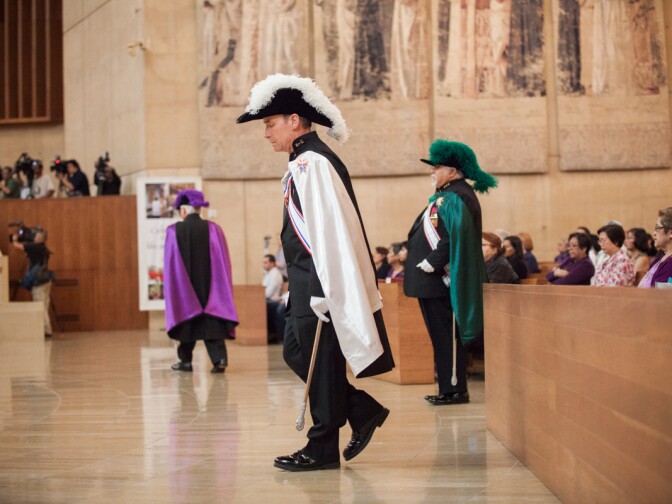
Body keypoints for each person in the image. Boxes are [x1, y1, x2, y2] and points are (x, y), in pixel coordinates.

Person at [237, 74, 394, 472]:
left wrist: (324, 290)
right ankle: (361, 409)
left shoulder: (312, 162)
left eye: (270, 124)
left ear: (294, 120)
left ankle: (321, 448)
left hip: (318, 286)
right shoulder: (302, 162)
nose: (266, 134)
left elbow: (331, 232)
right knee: (296, 352)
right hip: (305, 284)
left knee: (318, 363)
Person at [404, 139, 496, 406]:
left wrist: (433, 261)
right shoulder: (448, 195)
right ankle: (448, 387)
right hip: (431, 281)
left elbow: (455, 235)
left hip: (440, 280)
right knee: (441, 338)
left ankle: (454, 389)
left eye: (438, 166)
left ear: (453, 171)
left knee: (447, 339)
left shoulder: (457, 196)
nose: (433, 171)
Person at [163, 189, 239, 374]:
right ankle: (219, 359)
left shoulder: (173, 231)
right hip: (210, 286)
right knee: (211, 321)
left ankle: (186, 361)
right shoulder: (214, 229)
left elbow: (170, 264)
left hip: (185, 286)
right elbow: (223, 261)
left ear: (183, 211)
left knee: (187, 320)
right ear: (199, 209)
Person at [11, 228, 54, 337]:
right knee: (44, 305)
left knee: (39, 306)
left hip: (38, 282)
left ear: (39, 237)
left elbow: (18, 246)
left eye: (34, 235)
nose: (33, 237)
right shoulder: (44, 248)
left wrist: (14, 239)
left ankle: (46, 331)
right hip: (46, 280)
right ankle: (45, 329)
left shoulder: (35, 247)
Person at [638, 207, 672, 288]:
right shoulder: (661, 258)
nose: (654, 233)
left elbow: (662, 298)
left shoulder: (670, 264)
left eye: (657, 228)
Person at [263, 254, 286, 342]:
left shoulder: (275, 274)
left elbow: (268, 293)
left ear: (272, 263)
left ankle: (273, 335)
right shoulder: (269, 274)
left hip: (273, 299)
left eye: (266, 262)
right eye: (263, 262)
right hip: (270, 299)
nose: (264, 264)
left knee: (264, 305)